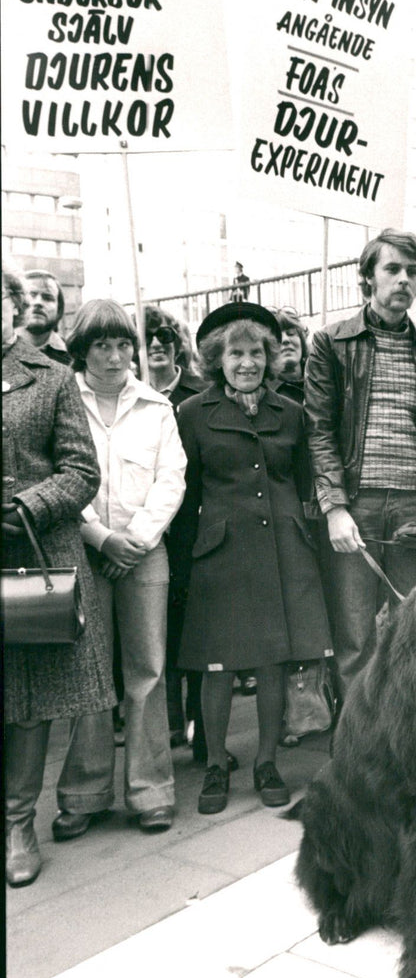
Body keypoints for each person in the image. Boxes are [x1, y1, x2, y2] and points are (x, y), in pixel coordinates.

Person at [171, 302, 332, 813]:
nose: (247, 363)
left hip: (285, 550)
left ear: (271, 358)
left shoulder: (292, 412)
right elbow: (187, 490)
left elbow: (307, 481)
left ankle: (266, 763)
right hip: (221, 554)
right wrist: (185, 563)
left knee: (271, 664)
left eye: (257, 353)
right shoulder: (193, 414)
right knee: (216, 666)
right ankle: (216, 764)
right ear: (218, 360)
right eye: (236, 353)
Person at [304, 229, 416, 700]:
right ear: (367, 279)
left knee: (414, 634)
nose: (403, 280)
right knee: (354, 638)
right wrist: (334, 508)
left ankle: (407, 737)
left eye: (412, 272)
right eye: (392, 269)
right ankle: (353, 746)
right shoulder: (331, 343)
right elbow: (318, 430)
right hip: (357, 506)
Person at [54, 301, 186, 839]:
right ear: (81, 351)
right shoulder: (63, 400)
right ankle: (84, 792)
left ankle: (151, 791)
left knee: (148, 671)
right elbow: (59, 470)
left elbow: (171, 479)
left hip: (143, 551)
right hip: (84, 549)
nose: (114, 357)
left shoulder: (157, 407)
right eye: (102, 346)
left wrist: (136, 539)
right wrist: (100, 538)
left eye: (122, 345)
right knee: (89, 671)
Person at [3, 267, 116, 886]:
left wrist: (28, 506)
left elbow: (80, 470)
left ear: (14, 308)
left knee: (25, 697)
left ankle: (19, 824)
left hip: (33, 553)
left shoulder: (50, 378)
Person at [143, 305, 207, 750]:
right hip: (141, 527)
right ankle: (166, 723)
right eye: (146, 336)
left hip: (189, 528)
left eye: (164, 334)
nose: (156, 343)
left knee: (193, 628)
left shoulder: (197, 394)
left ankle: (200, 723)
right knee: (153, 636)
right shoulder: (129, 394)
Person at [20, 269, 71, 364]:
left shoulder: (74, 356)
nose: (38, 302)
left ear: (59, 310)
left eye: (48, 298)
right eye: (31, 295)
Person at [275, 306, 309, 405]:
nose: (285, 340)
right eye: (277, 336)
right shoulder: (262, 394)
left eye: (291, 333)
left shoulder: (321, 381)